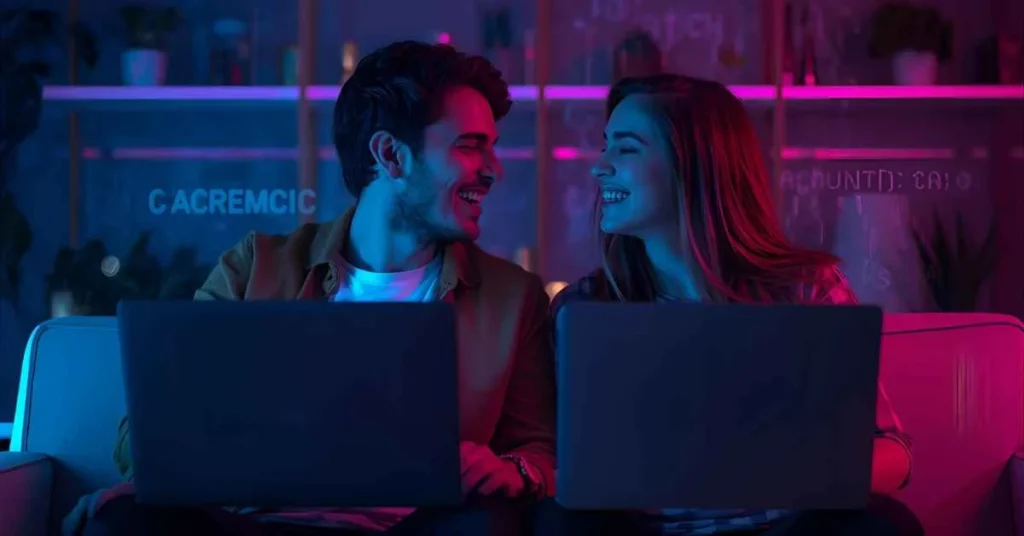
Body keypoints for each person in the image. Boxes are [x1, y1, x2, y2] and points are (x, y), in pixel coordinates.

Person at [69, 41, 555, 536]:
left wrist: (512, 470)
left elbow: (542, 450)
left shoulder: (513, 298)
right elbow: (143, 436)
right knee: (121, 521)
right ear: (390, 154)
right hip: (254, 524)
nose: (493, 168)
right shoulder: (255, 266)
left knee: (486, 524)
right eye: (470, 145)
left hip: (416, 528)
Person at [535, 74, 923, 536]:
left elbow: (894, 454)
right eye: (605, 146)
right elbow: (555, 464)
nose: (600, 167)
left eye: (627, 147)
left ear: (693, 165)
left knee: (883, 523)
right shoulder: (583, 310)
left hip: (786, 529)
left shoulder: (807, 291)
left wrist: (777, 471)